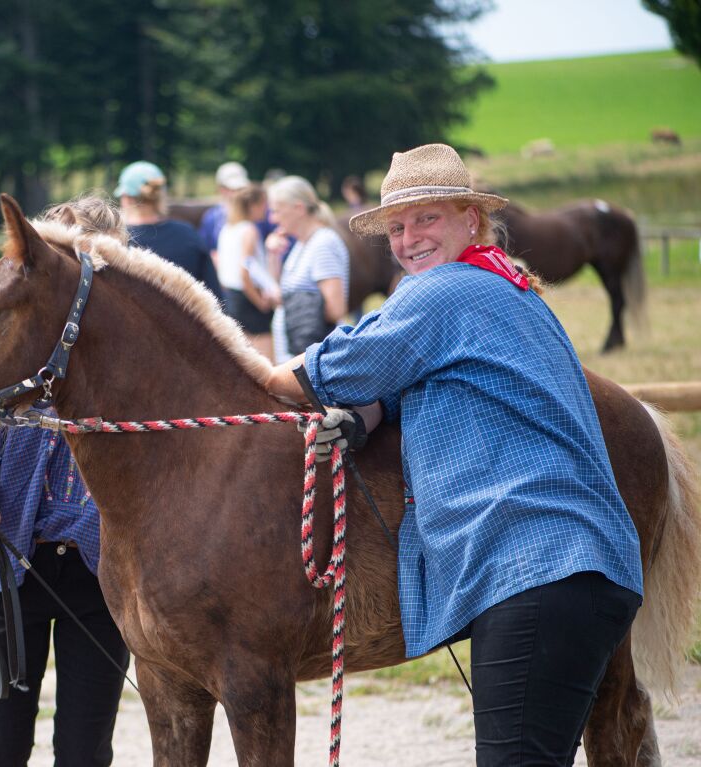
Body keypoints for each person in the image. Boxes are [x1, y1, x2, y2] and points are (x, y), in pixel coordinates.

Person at [265, 143, 643, 765]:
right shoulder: (509, 288)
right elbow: (408, 371)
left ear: (471, 218)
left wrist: (243, 375)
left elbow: (329, 367)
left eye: (427, 218)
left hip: (537, 563)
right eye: (396, 226)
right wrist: (376, 410)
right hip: (575, 566)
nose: (409, 237)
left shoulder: (444, 291)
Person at [0, 197, 130, 767]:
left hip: (104, 575)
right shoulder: (6, 346)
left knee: (85, 753)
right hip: (11, 565)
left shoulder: (136, 358)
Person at [265, 175, 349, 361]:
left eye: (276, 211)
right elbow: (282, 290)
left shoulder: (323, 243)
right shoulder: (302, 243)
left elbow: (336, 309)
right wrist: (273, 255)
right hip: (298, 356)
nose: (272, 218)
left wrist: (288, 300)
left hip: (313, 360)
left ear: (299, 208)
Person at [114, 160, 223, 300]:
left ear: (127, 198)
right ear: (161, 196)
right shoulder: (188, 234)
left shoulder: (115, 244)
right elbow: (215, 297)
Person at [216, 183, 278, 358]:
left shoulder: (227, 229)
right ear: (253, 205)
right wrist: (260, 302)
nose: (266, 210)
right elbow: (246, 270)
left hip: (231, 296)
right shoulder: (249, 230)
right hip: (249, 296)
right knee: (266, 360)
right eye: (263, 205)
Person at [198, 161, 250, 259]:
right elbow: (204, 248)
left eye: (241, 189)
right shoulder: (212, 217)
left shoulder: (255, 214)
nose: (238, 194)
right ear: (221, 189)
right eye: (232, 189)